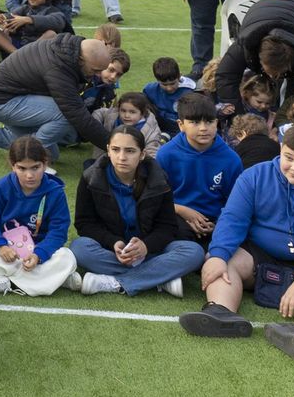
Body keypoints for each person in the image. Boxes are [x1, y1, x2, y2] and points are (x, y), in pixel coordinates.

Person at [179, 124, 294, 364]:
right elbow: (232, 219)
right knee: (226, 261)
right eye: (288, 158)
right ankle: (220, 312)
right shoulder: (255, 175)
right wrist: (217, 254)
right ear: (280, 148)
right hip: (259, 257)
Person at [70, 125, 206, 297]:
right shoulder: (91, 177)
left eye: (130, 151)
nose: (121, 157)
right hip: (112, 250)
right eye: (116, 149)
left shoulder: (158, 178)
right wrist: (113, 242)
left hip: (151, 251)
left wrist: (145, 246)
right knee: (79, 248)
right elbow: (85, 224)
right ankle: (159, 278)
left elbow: (167, 226)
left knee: (193, 252)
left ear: (142, 154)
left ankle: (116, 282)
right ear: (108, 151)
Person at [0, 35, 121, 160]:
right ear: (81, 60)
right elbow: (76, 114)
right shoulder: (58, 69)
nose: (98, 76)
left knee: (51, 155)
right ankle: (32, 159)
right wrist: (113, 146)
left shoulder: (69, 50)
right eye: (95, 70)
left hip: (15, 96)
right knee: (65, 116)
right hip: (0, 101)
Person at [0, 136, 78, 296]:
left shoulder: (55, 192)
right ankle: (57, 279)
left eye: (35, 168)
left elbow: (58, 231)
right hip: (9, 251)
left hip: (40, 251)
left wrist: (39, 255)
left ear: (45, 164)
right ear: (13, 166)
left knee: (67, 257)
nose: (29, 175)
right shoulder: (0, 188)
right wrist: (1, 246)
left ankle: (6, 282)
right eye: (22, 168)